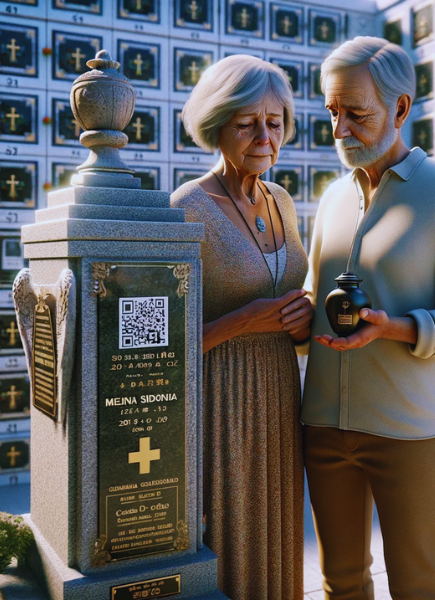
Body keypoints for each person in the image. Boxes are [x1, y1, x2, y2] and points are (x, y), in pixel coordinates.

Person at [302, 37, 435, 600]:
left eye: (356, 114)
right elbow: (318, 292)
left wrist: (395, 328)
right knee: (340, 582)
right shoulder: (333, 198)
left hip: (409, 431)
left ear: (401, 109)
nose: (340, 131)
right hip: (323, 426)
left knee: (415, 584)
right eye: (333, 113)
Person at [170, 54, 310, 600]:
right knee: (229, 528)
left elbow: (292, 295)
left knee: (278, 524)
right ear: (218, 124)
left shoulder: (282, 202)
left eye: (273, 122)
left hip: (279, 391)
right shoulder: (188, 207)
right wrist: (243, 320)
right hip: (219, 396)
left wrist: (299, 322)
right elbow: (160, 343)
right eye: (247, 122)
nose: (263, 135)